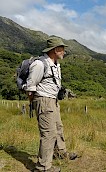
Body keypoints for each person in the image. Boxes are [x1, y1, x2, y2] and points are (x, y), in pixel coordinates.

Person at [25, 36, 77, 172]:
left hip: (53, 100)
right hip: (43, 100)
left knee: (58, 128)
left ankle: (59, 153)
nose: (64, 52)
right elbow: (30, 87)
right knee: (48, 133)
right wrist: (36, 103)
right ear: (55, 50)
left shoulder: (55, 63)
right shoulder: (40, 64)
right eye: (62, 49)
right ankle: (43, 167)